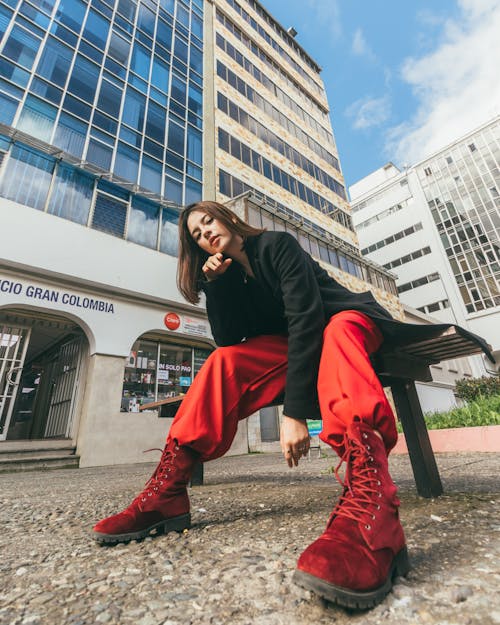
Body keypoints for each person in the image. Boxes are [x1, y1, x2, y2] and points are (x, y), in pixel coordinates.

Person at [93, 201, 491, 609]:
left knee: (337, 329)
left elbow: (306, 317)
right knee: (223, 362)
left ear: (227, 217)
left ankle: (373, 506)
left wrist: (294, 412)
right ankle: (168, 493)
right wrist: (218, 285)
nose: (205, 233)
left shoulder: (276, 245)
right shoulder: (232, 275)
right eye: (196, 234)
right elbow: (230, 340)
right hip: (297, 348)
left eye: (208, 221)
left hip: (344, 320)